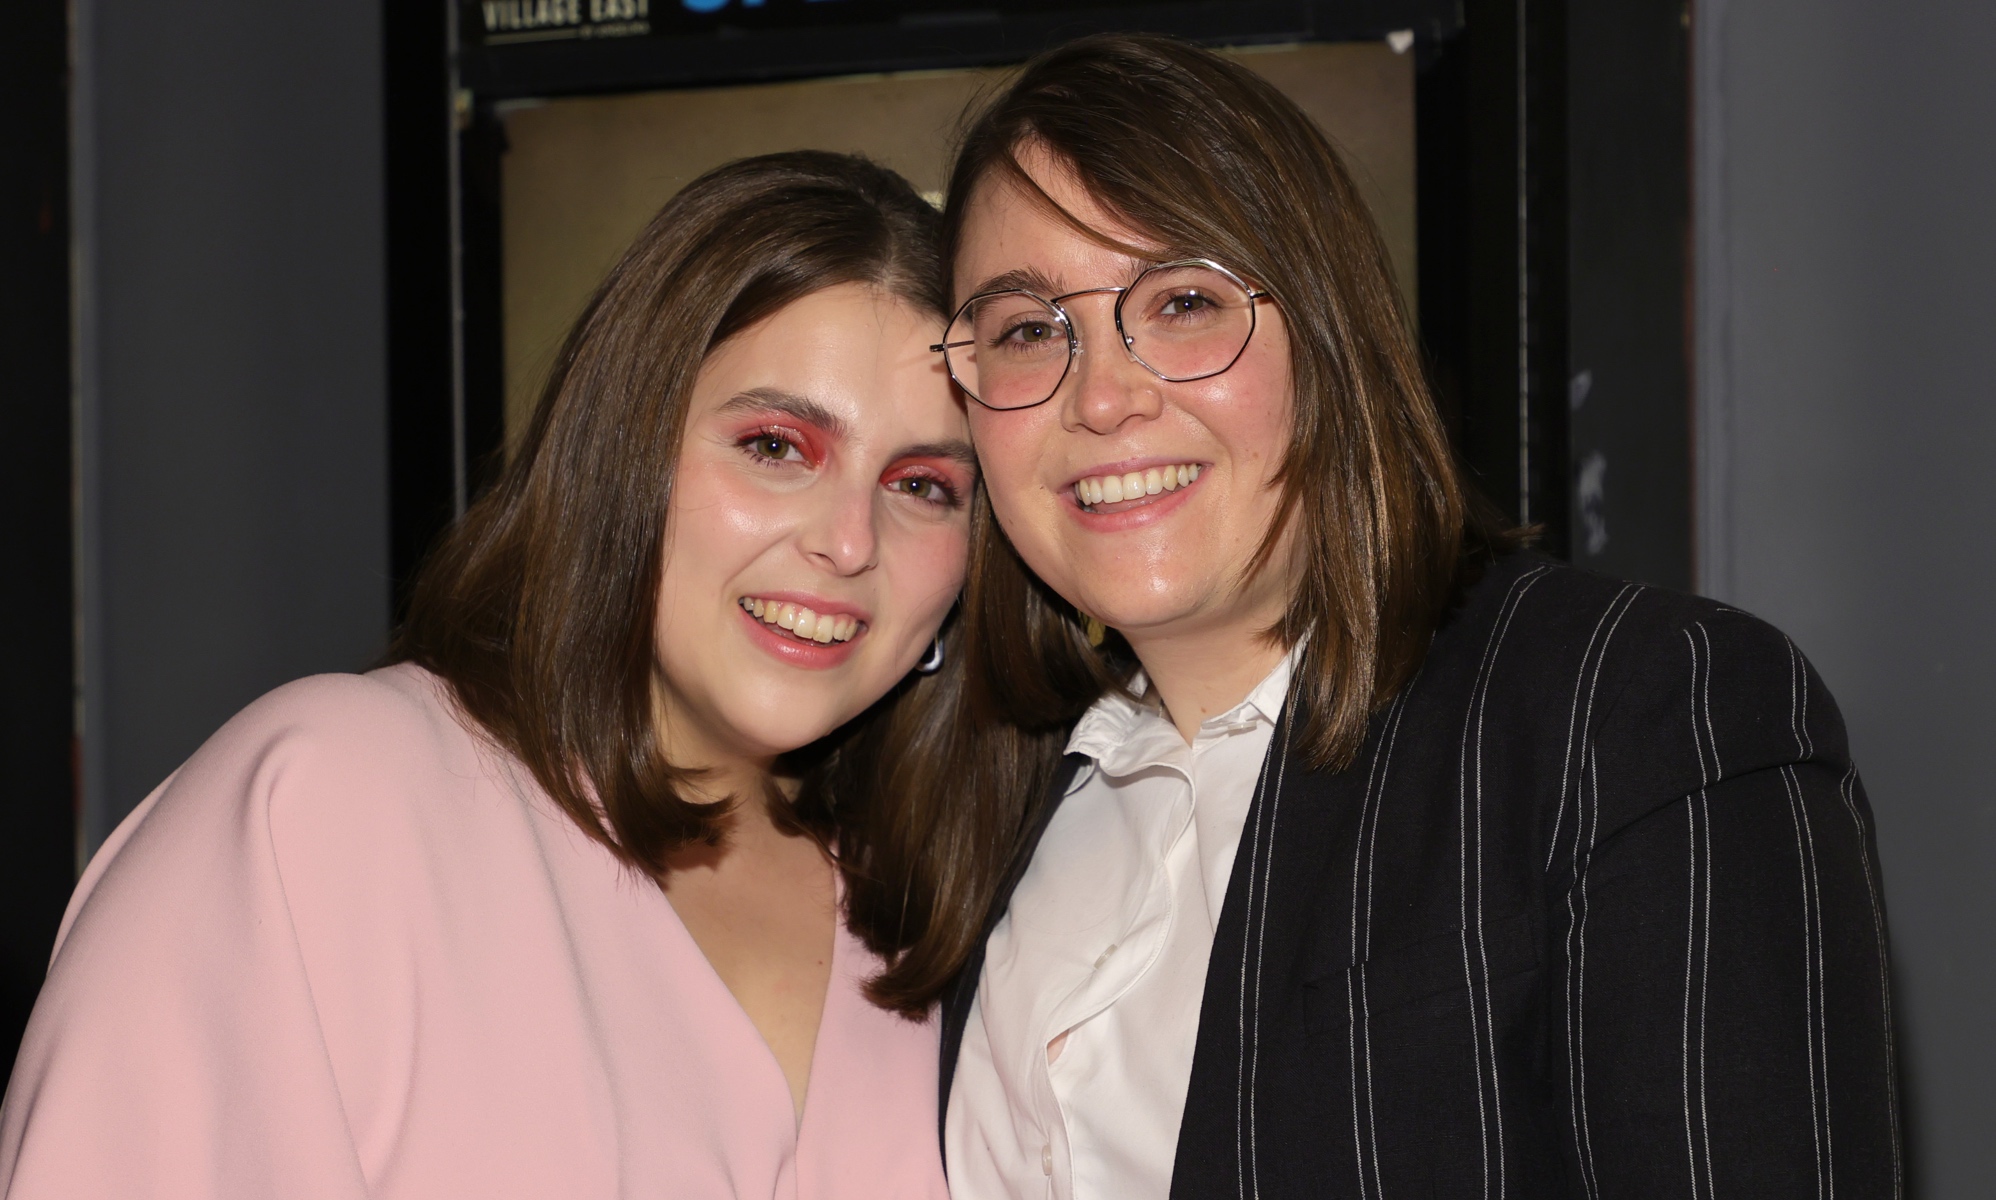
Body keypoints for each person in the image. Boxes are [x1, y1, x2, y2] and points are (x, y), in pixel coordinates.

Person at [933, 35, 1900, 1199]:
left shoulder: (1644, 718)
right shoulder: (987, 803)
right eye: (1028, 329)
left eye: (1183, 301)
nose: (1099, 395)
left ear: (1332, 338)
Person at [0, 152, 972, 1198]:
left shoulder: (951, 909)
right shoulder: (325, 807)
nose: (848, 541)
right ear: (623, 447)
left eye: (921, 484)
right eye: (776, 445)